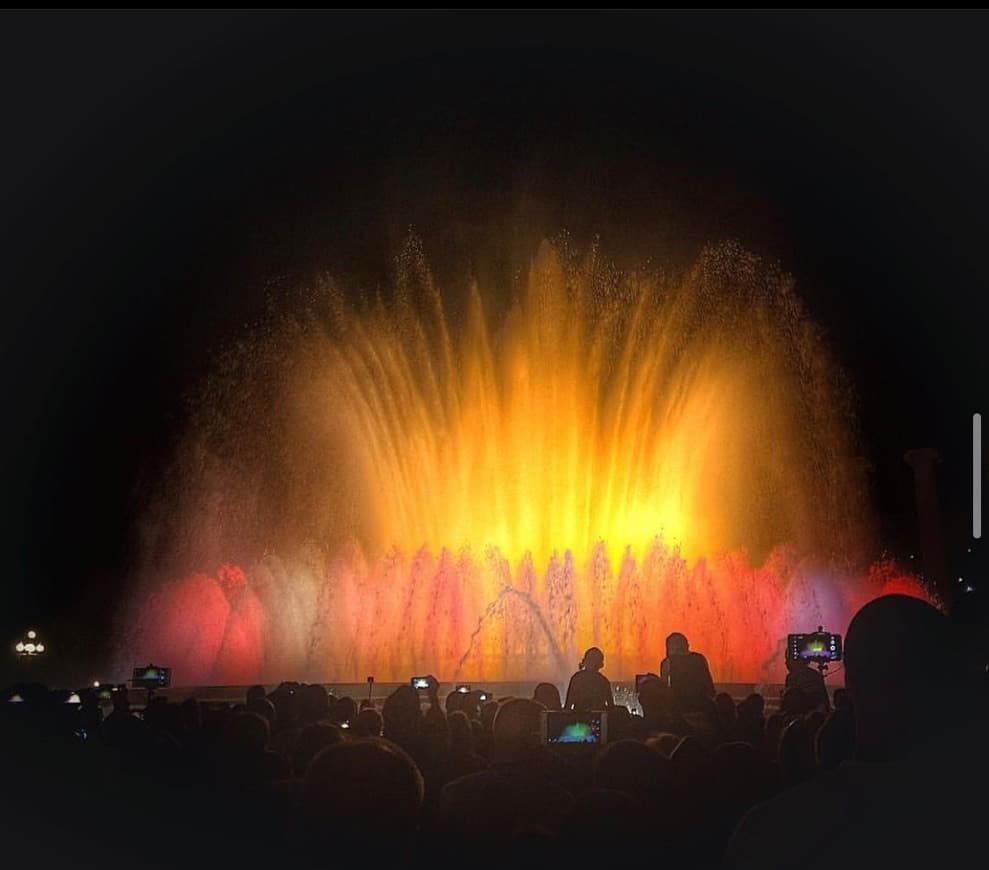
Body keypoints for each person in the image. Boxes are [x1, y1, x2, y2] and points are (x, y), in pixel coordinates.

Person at [659, 632, 715, 712]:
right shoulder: (700, 659)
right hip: (702, 707)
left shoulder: (668, 662)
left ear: (671, 647)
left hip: (679, 709)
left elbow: (663, 689)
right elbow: (710, 687)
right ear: (687, 646)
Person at [563, 647, 613, 711]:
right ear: (600, 664)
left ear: (585, 661)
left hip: (578, 719)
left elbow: (568, 706)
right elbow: (611, 708)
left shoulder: (576, 678)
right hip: (599, 719)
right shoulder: (604, 681)